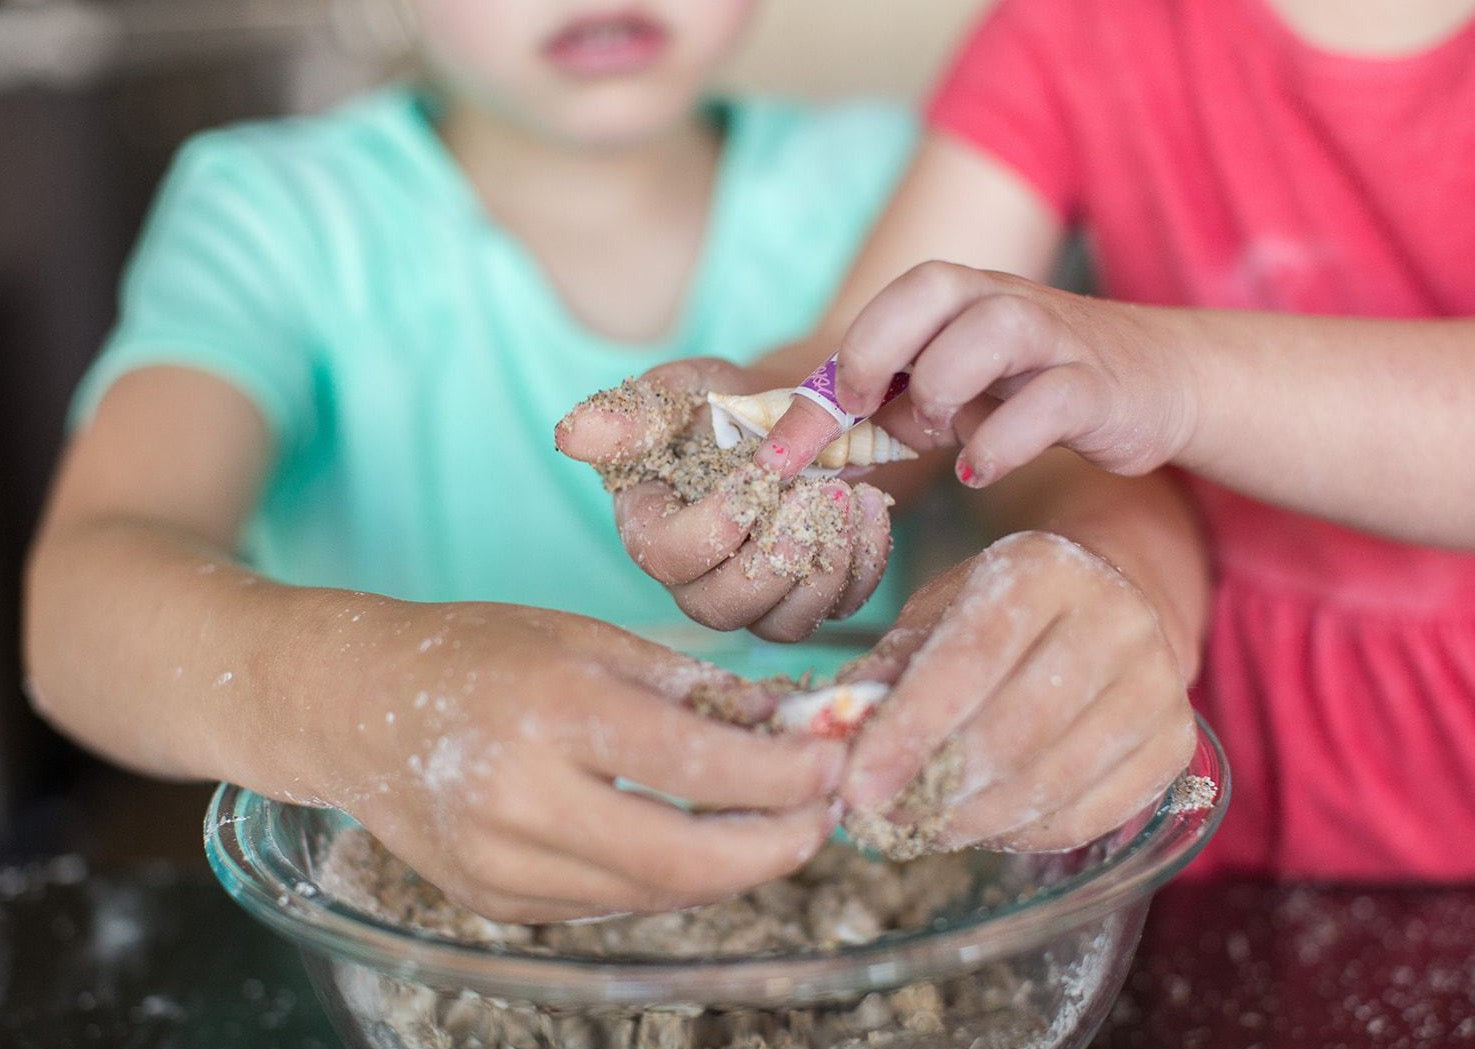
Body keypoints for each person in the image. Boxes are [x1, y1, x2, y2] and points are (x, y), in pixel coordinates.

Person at [21, 0, 923, 921]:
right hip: (436, 922)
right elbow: (80, 605)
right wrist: (376, 706)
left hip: (863, 902)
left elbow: (1042, 485)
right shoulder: (276, 215)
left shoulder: (907, 179)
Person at [564, 0, 1475, 880]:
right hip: (1194, 777)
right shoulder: (1078, 26)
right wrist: (752, 434)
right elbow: (882, 365)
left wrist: (1163, 367)